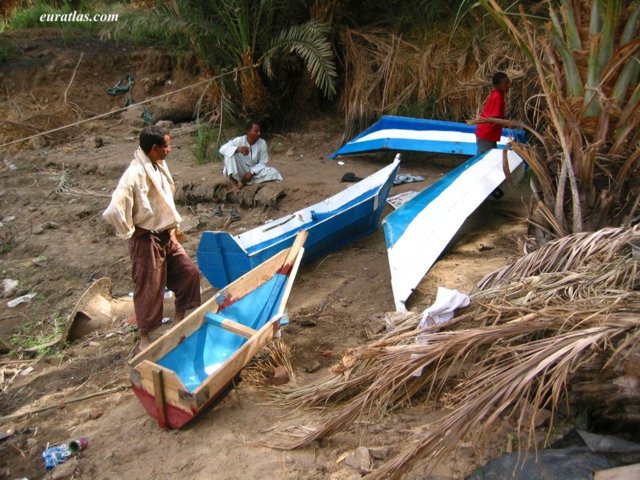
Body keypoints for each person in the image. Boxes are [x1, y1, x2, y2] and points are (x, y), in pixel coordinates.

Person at [102, 126, 201, 350]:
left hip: (166, 234)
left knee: (188, 273)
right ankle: (145, 337)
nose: (170, 149)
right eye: (166, 145)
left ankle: (179, 318)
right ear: (155, 148)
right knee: (149, 288)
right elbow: (114, 209)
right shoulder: (134, 173)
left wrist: (171, 232)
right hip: (146, 240)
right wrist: (131, 230)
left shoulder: (158, 163)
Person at [220, 120, 283, 193]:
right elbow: (222, 149)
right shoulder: (239, 141)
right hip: (239, 169)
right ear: (248, 131)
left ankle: (243, 182)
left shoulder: (262, 143)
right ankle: (235, 182)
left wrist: (251, 173)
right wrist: (237, 149)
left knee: (273, 172)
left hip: (253, 171)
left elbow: (263, 163)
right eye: (256, 131)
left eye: (259, 131)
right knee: (230, 155)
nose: (259, 133)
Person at [475, 71, 516, 155]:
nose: (508, 85)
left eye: (509, 82)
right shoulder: (497, 96)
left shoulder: (498, 94)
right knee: (485, 159)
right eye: (505, 84)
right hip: (486, 134)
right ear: (497, 86)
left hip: (489, 134)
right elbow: (491, 119)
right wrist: (507, 123)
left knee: (490, 156)